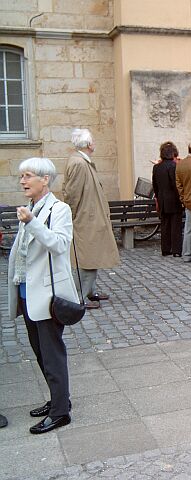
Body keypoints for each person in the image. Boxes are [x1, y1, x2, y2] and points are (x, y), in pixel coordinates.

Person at [9, 157, 77, 434]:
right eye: (21, 176)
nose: (22, 181)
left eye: (27, 176)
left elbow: (60, 245)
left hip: (48, 294)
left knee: (52, 354)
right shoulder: (31, 206)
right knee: (40, 352)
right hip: (28, 292)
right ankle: (58, 400)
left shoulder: (59, 209)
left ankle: (61, 412)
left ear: (45, 179)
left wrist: (33, 222)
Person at [63, 128, 119, 309]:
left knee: (93, 256)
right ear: (88, 144)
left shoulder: (81, 161)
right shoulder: (79, 163)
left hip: (90, 218)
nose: (94, 142)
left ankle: (89, 291)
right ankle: (79, 296)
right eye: (93, 140)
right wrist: (72, 217)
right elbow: (72, 194)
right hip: (85, 220)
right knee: (86, 259)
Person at [152, 141, 183, 257]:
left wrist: (159, 197)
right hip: (174, 200)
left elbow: (155, 185)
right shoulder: (173, 166)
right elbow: (175, 185)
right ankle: (176, 250)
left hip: (162, 200)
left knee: (165, 226)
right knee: (175, 226)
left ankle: (165, 249)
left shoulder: (157, 167)